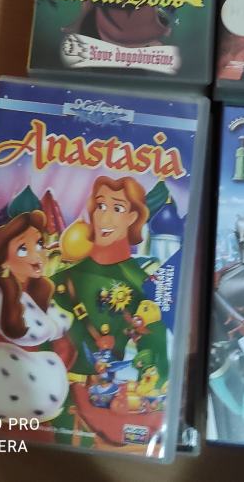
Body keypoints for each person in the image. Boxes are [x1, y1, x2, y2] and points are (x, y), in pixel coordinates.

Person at [48, 176, 170, 446]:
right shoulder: (64, 278)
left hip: (105, 398)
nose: (104, 217)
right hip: (54, 391)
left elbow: (154, 341)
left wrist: (148, 368)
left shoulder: (140, 283)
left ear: (132, 217)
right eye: (100, 206)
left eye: (117, 208)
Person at [0, 210, 72, 422]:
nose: (37, 254)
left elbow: (65, 347)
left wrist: (50, 376)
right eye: (23, 248)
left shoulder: (43, 298)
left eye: (39, 244)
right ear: (4, 262)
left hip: (39, 397)